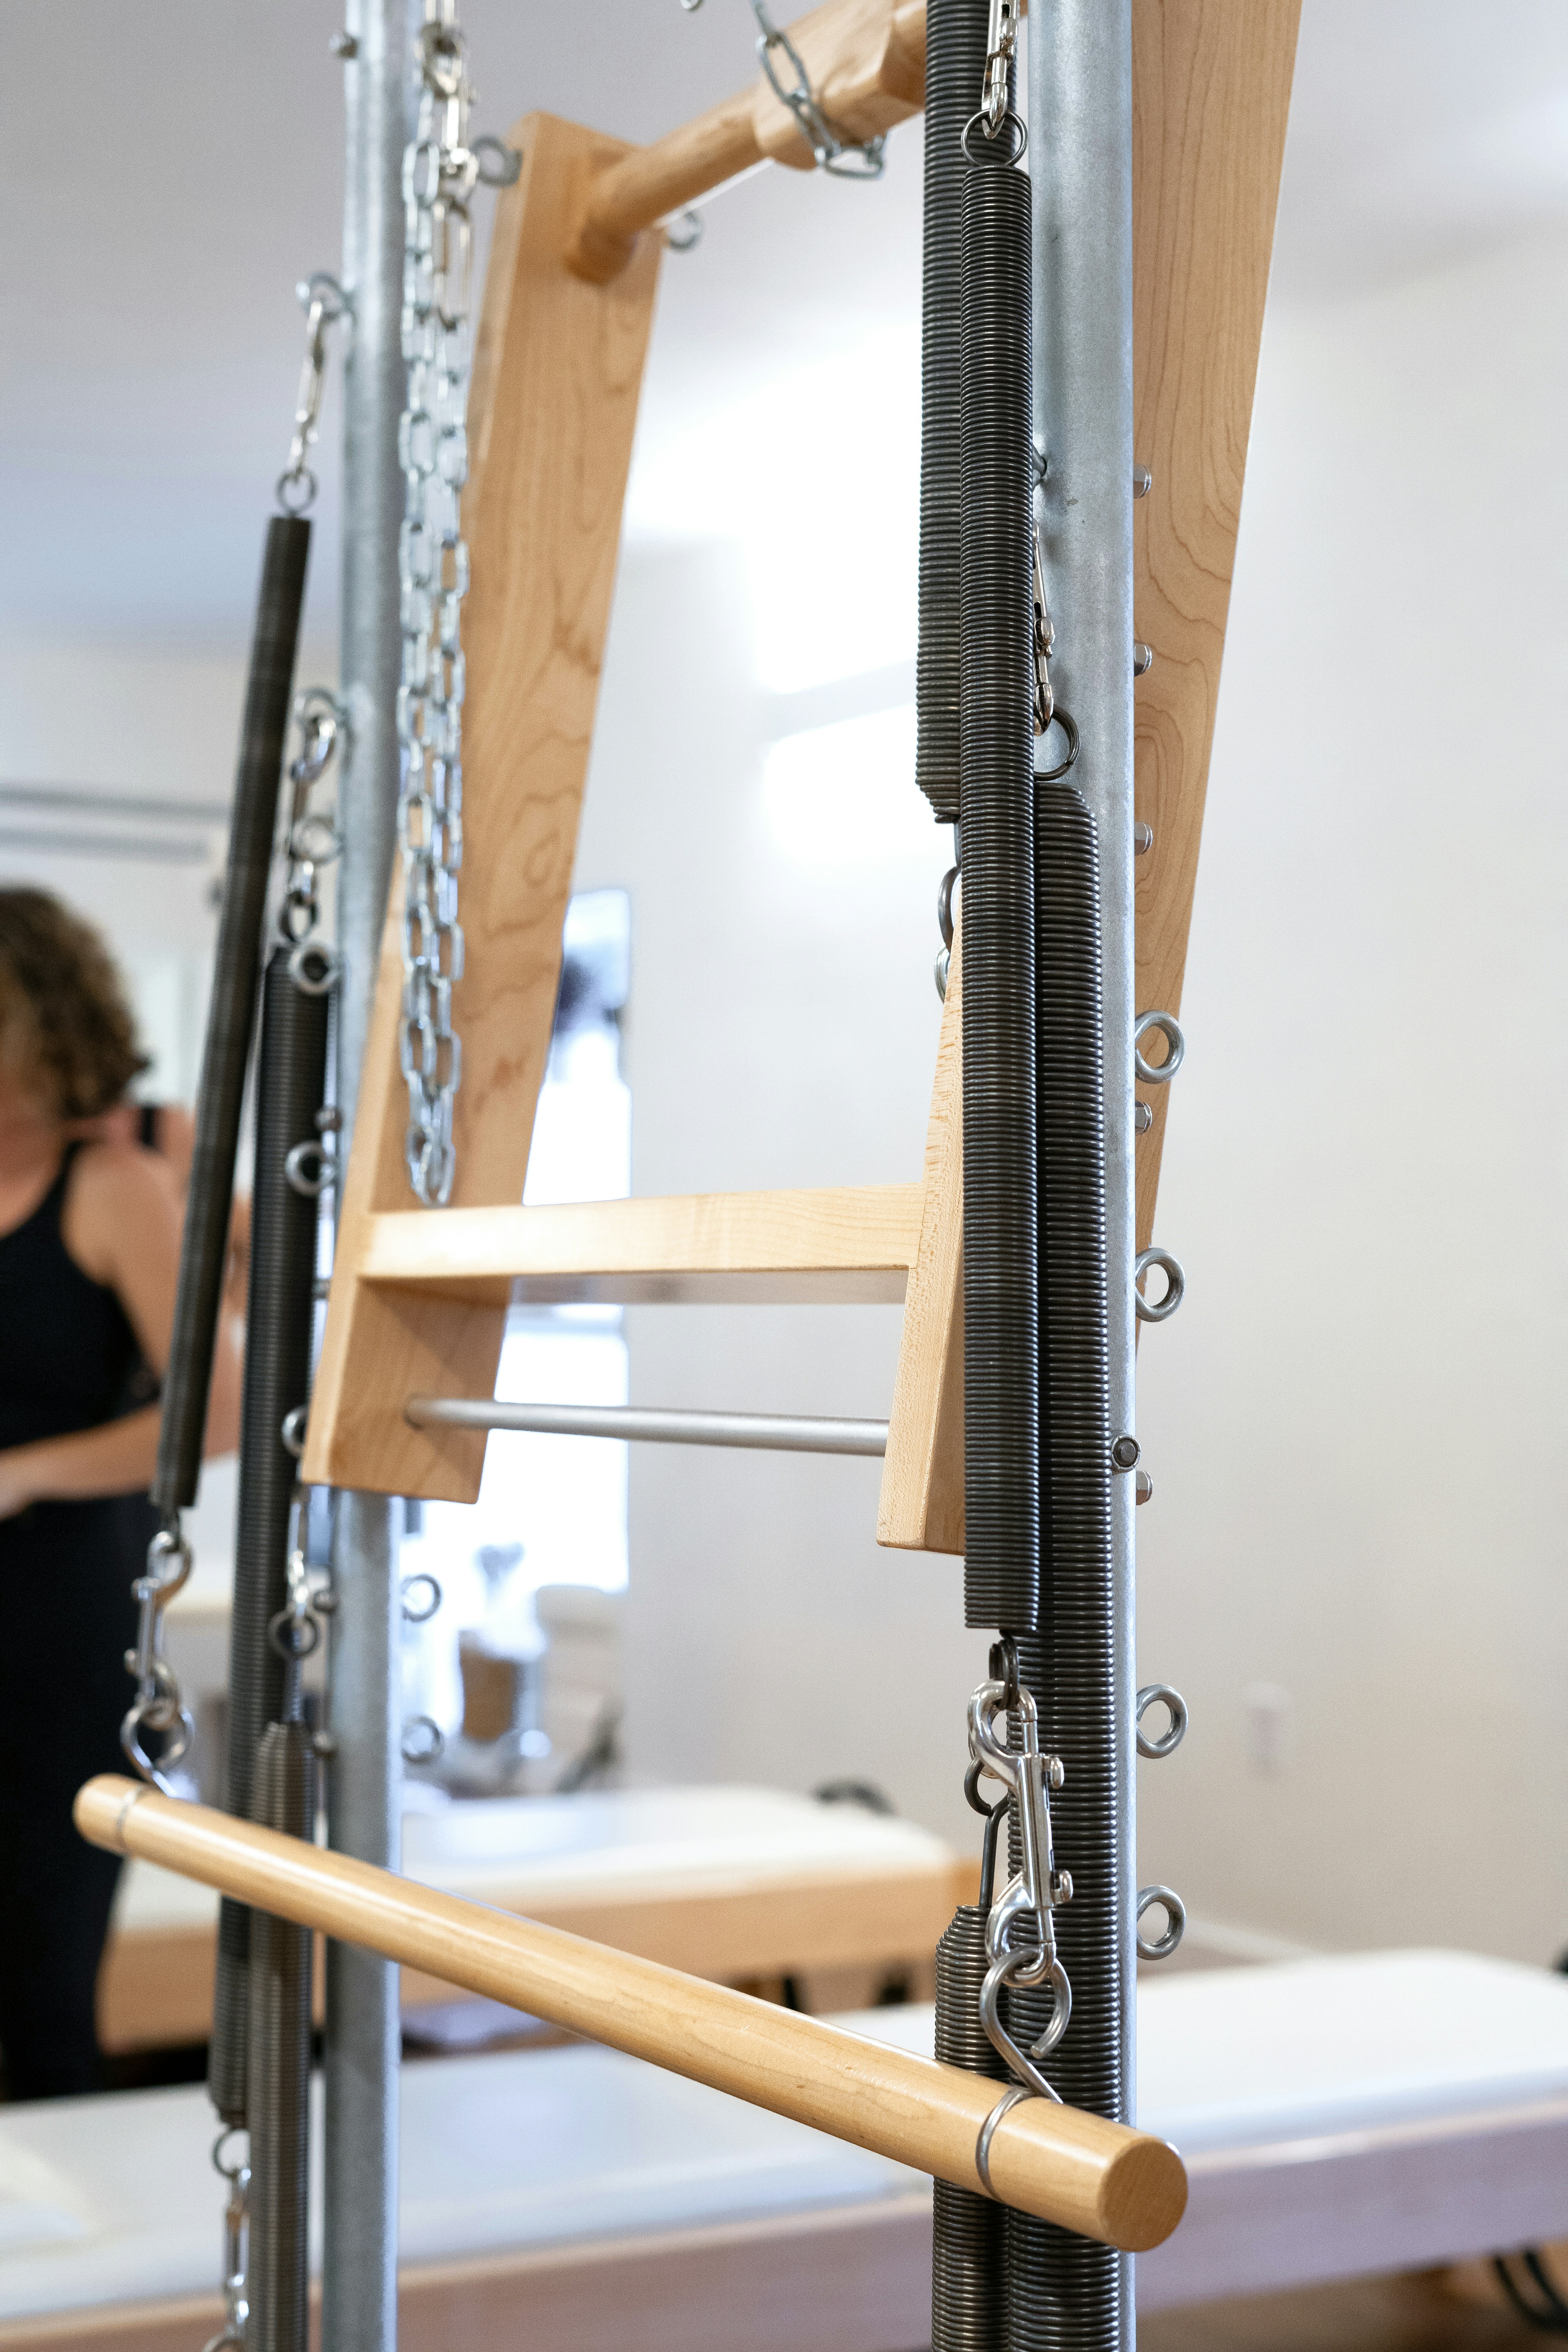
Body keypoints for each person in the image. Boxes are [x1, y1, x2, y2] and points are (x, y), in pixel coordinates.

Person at [0, 889, 241, 2099]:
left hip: (57, 1623)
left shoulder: (112, 1185)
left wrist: (26, 1473)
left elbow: (219, 1411)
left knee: (40, 1982)